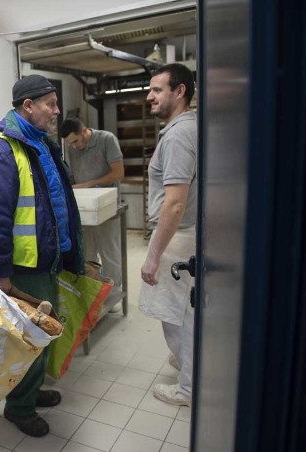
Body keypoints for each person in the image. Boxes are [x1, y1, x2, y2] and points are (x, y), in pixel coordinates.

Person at [0, 75, 84, 437]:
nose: (56, 111)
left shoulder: (39, 143)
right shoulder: (1, 150)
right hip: (24, 266)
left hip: (46, 260)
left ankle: (31, 392)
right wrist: (2, 272)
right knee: (28, 339)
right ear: (27, 107)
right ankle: (19, 408)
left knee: (41, 336)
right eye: (50, 104)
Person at [138, 63, 197, 407]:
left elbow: (174, 204)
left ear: (180, 91)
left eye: (157, 90)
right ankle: (187, 363)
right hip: (186, 233)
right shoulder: (189, 128)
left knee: (176, 316)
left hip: (178, 237)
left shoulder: (177, 135)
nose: (150, 96)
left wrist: (154, 256)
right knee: (182, 312)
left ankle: (188, 388)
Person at [60, 117, 125, 301]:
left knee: (109, 252)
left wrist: (88, 184)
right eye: (69, 143)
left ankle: (114, 293)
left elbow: (118, 173)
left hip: (107, 207)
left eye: (75, 141)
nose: (73, 146)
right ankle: (93, 292)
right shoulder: (72, 147)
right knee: (86, 252)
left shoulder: (106, 139)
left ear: (84, 131)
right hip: (84, 209)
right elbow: (72, 176)